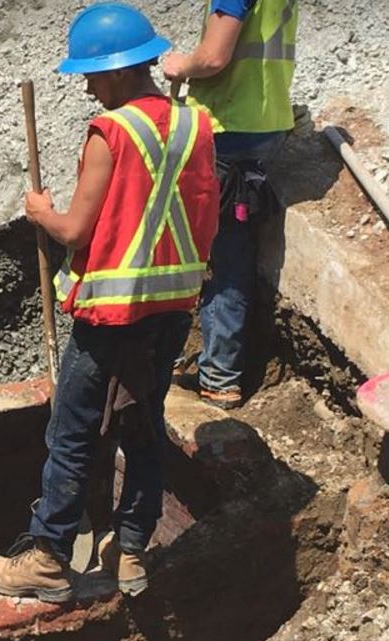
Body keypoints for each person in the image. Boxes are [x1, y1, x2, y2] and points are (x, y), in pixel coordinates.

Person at [0, 3, 220, 602]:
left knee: (73, 432)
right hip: (171, 309)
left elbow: (76, 231)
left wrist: (40, 212)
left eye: (90, 74)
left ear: (117, 72)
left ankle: (47, 558)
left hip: (110, 315)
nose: (86, 85)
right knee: (143, 428)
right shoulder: (196, 125)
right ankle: (130, 552)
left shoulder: (111, 131)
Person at [163, 0, 298, 409]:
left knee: (212, 251)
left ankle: (216, 374)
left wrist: (180, 64)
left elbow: (213, 56)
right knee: (232, 246)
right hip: (267, 122)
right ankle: (220, 370)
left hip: (227, 127)